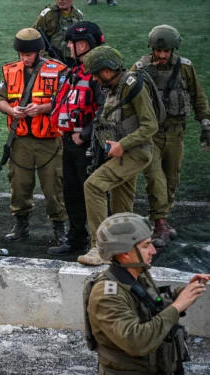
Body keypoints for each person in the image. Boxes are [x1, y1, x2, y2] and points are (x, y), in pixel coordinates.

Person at [83, 212, 207, 374]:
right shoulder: (107, 295)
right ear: (125, 253)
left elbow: (153, 304)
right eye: (146, 246)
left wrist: (183, 294)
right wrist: (177, 307)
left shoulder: (137, 273)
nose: (153, 251)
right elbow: (135, 341)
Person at [78, 46, 159, 266]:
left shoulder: (133, 87)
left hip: (134, 152)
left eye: (95, 73)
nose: (94, 79)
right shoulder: (117, 87)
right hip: (124, 153)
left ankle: (99, 248)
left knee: (93, 186)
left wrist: (122, 144)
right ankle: (127, 250)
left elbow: (150, 125)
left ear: (106, 70)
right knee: (121, 203)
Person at [131, 25, 210, 247]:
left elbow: (198, 96)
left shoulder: (185, 68)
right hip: (151, 135)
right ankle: (160, 223)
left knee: (171, 179)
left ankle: (161, 219)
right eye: (158, 50)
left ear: (174, 49)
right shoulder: (140, 68)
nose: (162, 55)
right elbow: (126, 95)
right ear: (152, 48)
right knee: (155, 178)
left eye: (166, 51)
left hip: (176, 133)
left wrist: (206, 123)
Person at [0, 28, 68, 245]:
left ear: (39, 52)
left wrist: (43, 108)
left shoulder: (59, 71)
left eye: (29, 55)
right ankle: (21, 225)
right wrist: (11, 110)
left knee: (54, 187)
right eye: (22, 55)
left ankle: (59, 227)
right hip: (20, 140)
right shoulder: (10, 71)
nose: (25, 59)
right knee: (19, 185)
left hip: (49, 140)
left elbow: (66, 101)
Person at [47, 22, 105, 256]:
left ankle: (97, 242)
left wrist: (84, 134)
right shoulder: (76, 70)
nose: (69, 46)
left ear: (86, 44)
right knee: (71, 193)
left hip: (87, 146)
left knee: (90, 196)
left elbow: (106, 110)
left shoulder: (98, 73)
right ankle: (77, 239)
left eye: (73, 43)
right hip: (70, 144)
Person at [32, 0, 84, 67]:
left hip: (73, 60)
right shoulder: (48, 14)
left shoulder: (78, 15)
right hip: (51, 60)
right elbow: (34, 37)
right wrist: (45, 56)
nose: (61, 0)